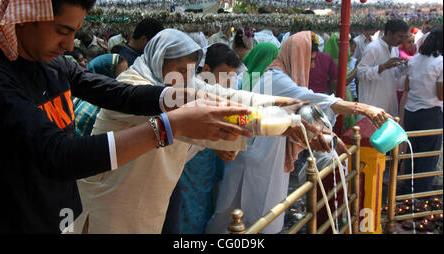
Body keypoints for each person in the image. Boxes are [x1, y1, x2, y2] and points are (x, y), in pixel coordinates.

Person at [0, 0, 256, 234]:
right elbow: (58, 155)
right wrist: (171, 125)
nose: (69, 45)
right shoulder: (1, 79)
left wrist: (185, 99)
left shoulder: (54, 63)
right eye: (62, 31)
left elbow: (118, 93)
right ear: (25, 16)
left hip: (61, 216)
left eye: (74, 33)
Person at [73, 29, 315, 234]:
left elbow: (227, 96)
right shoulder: (133, 87)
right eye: (178, 70)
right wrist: (271, 122)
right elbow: (196, 116)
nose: (184, 78)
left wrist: (281, 106)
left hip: (148, 197)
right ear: (158, 61)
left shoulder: (184, 83)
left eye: (189, 71)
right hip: (113, 200)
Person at [205, 31, 390, 234]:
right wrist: (362, 108)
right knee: (255, 217)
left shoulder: (273, 75)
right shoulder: (275, 78)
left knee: (241, 214)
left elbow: (301, 110)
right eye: (309, 60)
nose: (312, 66)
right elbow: (310, 99)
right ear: (296, 55)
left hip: (259, 153)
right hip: (261, 158)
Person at [176, 43, 243, 234]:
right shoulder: (189, 94)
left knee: (205, 206)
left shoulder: (221, 94)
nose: (229, 84)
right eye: (224, 77)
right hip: (188, 168)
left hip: (207, 170)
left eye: (232, 77)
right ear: (206, 70)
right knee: (188, 212)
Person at [402, 26, 443, 196]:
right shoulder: (440, 62)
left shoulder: (414, 60)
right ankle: (421, 200)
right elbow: (441, 95)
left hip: (411, 112)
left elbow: (407, 86)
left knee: (412, 155)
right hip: (431, 114)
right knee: (427, 159)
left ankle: (407, 196)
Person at [357, 19, 409, 118]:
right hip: (373, 104)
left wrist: (403, 68)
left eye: (404, 37)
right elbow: (361, 74)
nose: (402, 40)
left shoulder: (394, 49)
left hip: (389, 103)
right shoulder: (373, 48)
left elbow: (393, 77)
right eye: (400, 36)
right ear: (389, 33)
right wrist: (383, 67)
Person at [73, 53, 128, 137]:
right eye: (122, 74)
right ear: (107, 75)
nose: (125, 78)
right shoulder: (96, 109)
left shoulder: (77, 93)